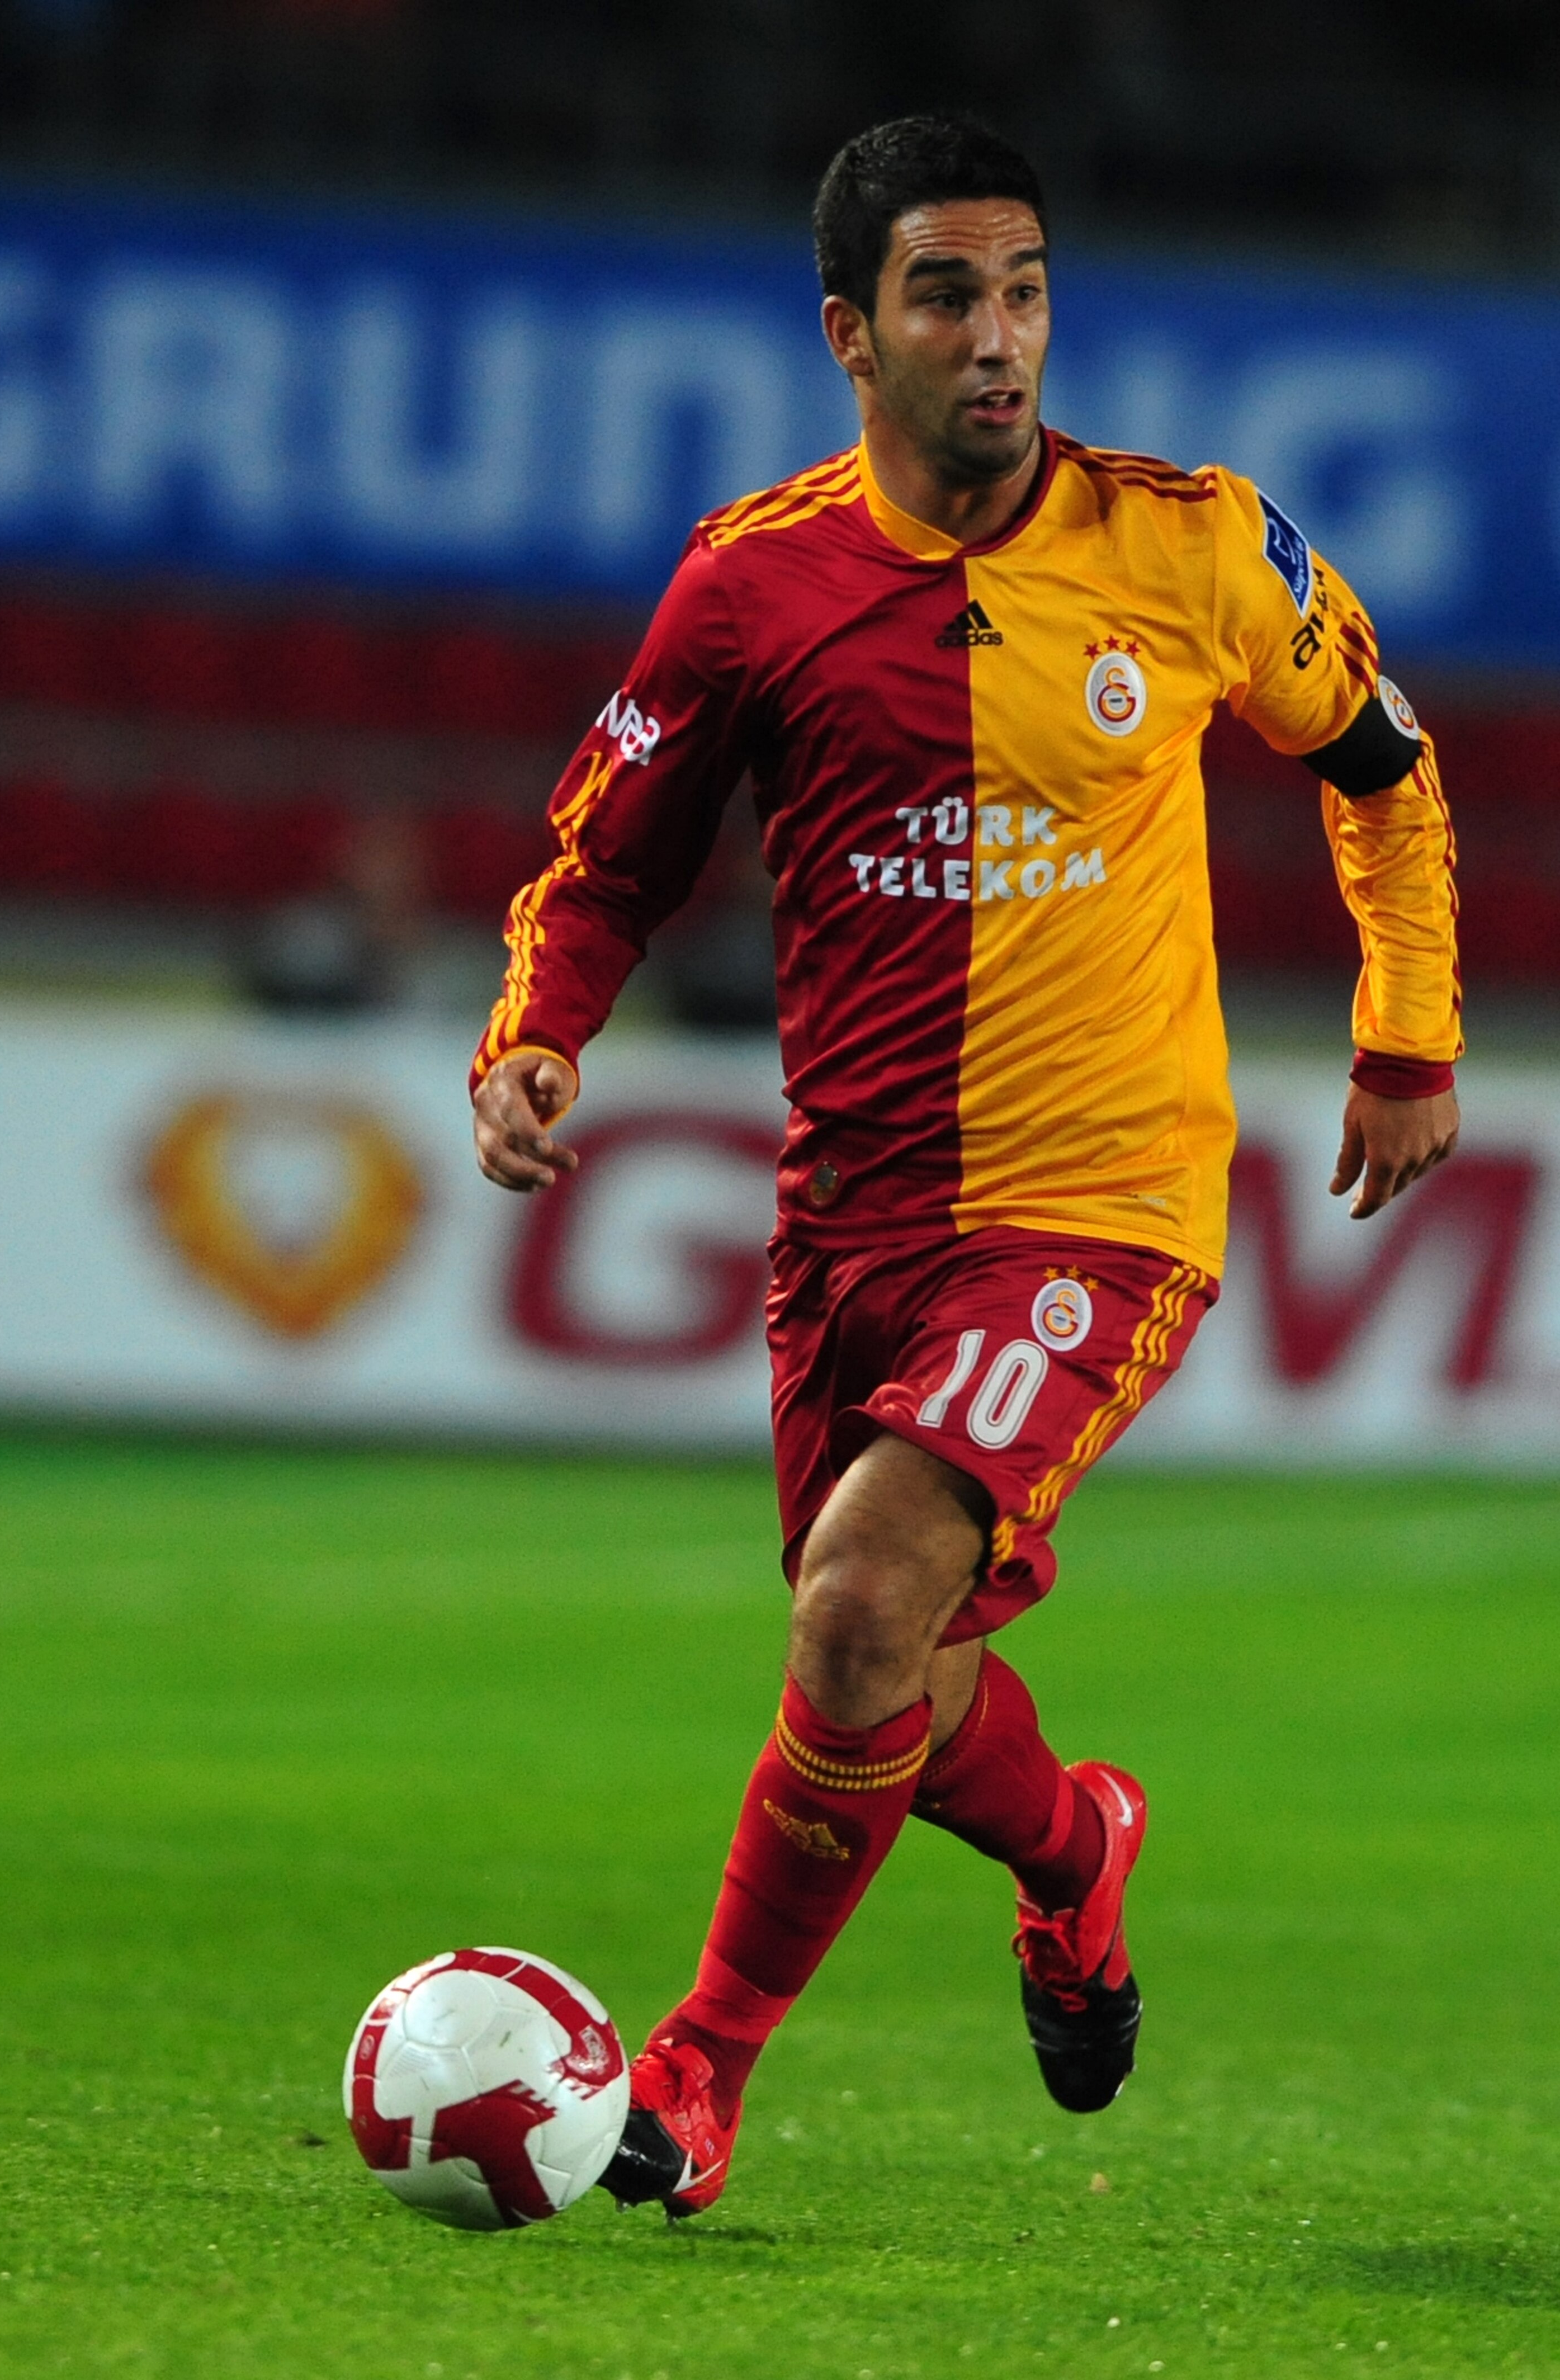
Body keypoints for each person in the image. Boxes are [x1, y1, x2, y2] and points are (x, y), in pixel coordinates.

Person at [470, 114, 1462, 2218]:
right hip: (853, 1217)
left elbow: (1385, 768)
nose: (999, 340)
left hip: (1102, 1202)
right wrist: (538, 1036)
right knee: (888, 1683)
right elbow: (606, 853)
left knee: (855, 1605)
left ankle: (697, 2071)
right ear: (853, 332)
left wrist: (1406, 1034)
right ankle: (1075, 1846)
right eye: (948, 296)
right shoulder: (752, 583)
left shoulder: (1194, 546)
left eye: (1024, 293)